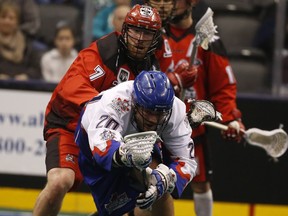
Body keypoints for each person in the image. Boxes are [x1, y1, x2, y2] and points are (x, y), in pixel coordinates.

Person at [32, 5, 177, 216]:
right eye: (136, 30)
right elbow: (71, 86)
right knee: (59, 182)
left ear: (155, 38)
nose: (139, 38)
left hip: (111, 136)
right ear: (125, 29)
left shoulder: (151, 70)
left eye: (146, 33)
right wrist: (107, 104)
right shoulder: (103, 52)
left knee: (152, 187)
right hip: (71, 126)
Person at [75, 70, 197, 216]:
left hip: (141, 140)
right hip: (94, 143)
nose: (153, 119)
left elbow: (186, 162)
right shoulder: (115, 102)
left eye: (159, 113)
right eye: (148, 111)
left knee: (159, 188)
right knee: (116, 210)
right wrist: (125, 155)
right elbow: (102, 147)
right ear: (135, 102)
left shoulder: (175, 110)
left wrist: (163, 180)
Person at [164, 0, 246, 216]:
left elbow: (223, 86)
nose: (170, 5)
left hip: (193, 129)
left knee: (200, 184)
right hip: (158, 126)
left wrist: (231, 118)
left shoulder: (208, 40)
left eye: (176, 1)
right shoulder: (155, 35)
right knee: (152, 183)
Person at [0, 1, 42, 80]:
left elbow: (36, 70)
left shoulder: (27, 45)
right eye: (3, 17)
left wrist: (26, 75)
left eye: (11, 18)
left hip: (22, 88)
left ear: (17, 22)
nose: (7, 21)